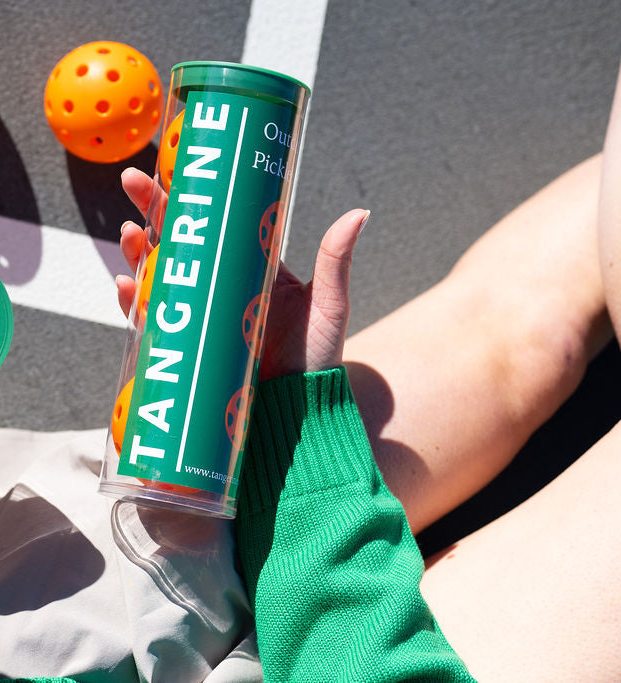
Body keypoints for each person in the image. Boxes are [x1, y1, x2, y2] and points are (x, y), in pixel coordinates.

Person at [113, 64, 621, 681]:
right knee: (512, 342)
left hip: (70, 586)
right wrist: (305, 472)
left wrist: (284, 414)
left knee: (516, 337)